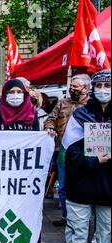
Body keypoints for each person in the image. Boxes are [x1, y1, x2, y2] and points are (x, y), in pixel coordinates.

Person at [61, 69, 111, 243]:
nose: (103, 90)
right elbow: (69, 152)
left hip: (108, 186)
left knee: (107, 229)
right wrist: (93, 160)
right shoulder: (80, 116)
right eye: (99, 86)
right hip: (80, 184)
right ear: (92, 89)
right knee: (77, 227)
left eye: (107, 86)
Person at [44, 74, 91, 227]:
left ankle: (85, 220)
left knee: (85, 186)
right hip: (63, 151)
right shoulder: (63, 102)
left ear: (86, 89)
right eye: (71, 87)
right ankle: (66, 217)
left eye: (75, 87)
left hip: (85, 153)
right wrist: (50, 127)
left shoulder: (92, 105)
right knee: (63, 187)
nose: (72, 89)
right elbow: (50, 118)